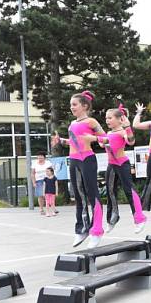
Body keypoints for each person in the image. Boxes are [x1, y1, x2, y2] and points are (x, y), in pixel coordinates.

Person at [52, 90, 105, 248]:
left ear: (84, 106)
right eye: (71, 105)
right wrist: (61, 140)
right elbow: (74, 141)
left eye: (74, 104)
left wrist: (94, 138)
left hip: (87, 159)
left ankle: (97, 230)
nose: (72, 107)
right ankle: (82, 228)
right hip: (74, 160)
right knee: (79, 195)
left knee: (92, 194)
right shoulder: (73, 123)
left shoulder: (91, 121)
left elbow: (107, 139)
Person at [84, 105, 147, 233]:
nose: (107, 120)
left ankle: (140, 218)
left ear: (119, 119)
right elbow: (103, 144)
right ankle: (112, 219)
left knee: (129, 190)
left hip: (122, 164)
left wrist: (128, 127)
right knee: (110, 191)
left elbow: (131, 142)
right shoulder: (108, 133)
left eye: (110, 118)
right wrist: (95, 135)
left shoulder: (122, 132)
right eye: (106, 118)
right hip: (111, 165)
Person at [30, 151, 53, 216]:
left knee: (49, 195)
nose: (40, 159)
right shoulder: (34, 164)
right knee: (41, 195)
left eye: (41, 157)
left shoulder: (48, 163)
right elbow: (32, 173)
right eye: (39, 157)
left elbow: (52, 171)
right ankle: (41, 209)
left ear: (44, 157)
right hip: (39, 181)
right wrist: (34, 182)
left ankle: (51, 209)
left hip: (48, 180)